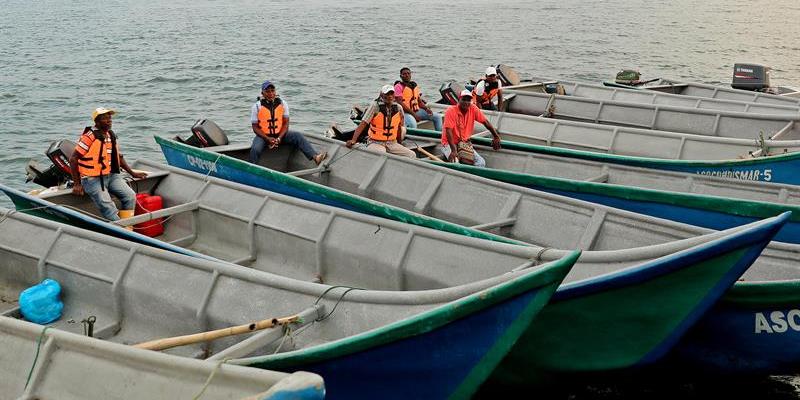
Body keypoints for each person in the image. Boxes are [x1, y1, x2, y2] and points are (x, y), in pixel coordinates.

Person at [69, 108, 146, 225]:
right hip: (92, 179)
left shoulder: (110, 135)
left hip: (112, 176)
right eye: (105, 118)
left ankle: (127, 227)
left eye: (109, 118)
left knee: (130, 196)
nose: (109, 120)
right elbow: (73, 159)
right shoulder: (89, 137)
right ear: (97, 122)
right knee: (108, 207)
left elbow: (118, 157)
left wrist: (133, 173)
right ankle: (123, 230)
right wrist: (77, 184)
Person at [250, 80, 327, 165]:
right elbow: (255, 127)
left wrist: (279, 138)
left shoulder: (283, 104)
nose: (271, 93)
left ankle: (315, 157)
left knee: (297, 136)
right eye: (267, 91)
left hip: (280, 135)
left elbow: (286, 124)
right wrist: (267, 138)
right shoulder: (257, 106)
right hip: (264, 137)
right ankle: (253, 167)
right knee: (255, 149)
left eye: (272, 91)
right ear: (262, 93)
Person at [346, 85, 416, 158]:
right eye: (387, 94)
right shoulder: (375, 107)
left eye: (391, 94)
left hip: (392, 143)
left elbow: (398, 128)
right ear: (382, 95)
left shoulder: (398, 108)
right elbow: (363, 124)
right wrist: (353, 140)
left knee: (411, 154)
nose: (389, 96)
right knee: (382, 154)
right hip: (375, 142)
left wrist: (399, 143)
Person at [441, 90, 501, 167]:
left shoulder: (473, 108)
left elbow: (486, 122)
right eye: (464, 99)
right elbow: (448, 131)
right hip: (449, 144)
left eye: (468, 100)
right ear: (459, 100)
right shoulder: (451, 111)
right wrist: (453, 150)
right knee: (456, 163)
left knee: (481, 162)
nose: (466, 102)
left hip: (464, 143)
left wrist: (496, 136)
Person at [394, 67, 442, 131]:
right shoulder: (398, 87)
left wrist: (426, 109)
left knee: (437, 117)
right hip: (405, 113)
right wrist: (414, 115)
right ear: (401, 76)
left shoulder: (413, 86)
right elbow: (400, 103)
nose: (407, 75)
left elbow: (419, 101)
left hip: (416, 111)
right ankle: (414, 137)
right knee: (412, 123)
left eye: (408, 73)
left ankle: (439, 135)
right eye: (404, 74)